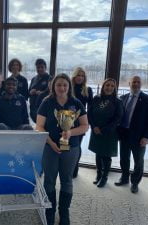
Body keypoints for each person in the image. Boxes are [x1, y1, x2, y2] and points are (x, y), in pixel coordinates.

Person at [36, 73, 88, 225]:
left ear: (69, 87)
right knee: (49, 180)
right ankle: (49, 211)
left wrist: (70, 132)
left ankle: (64, 212)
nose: (62, 88)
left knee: (67, 180)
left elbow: (85, 126)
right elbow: (39, 126)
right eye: (58, 85)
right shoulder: (46, 102)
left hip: (71, 148)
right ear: (53, 86)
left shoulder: (76, 103)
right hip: (49, 147)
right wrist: (50, 142)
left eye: (65, 85)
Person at [115, 76, 148, 193]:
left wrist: (147, 137)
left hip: (139, 137)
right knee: (124, 158)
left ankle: (135, 182)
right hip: (124, 134)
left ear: (141, 84)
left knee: (138, 161)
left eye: (138, 82)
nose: (136, 84)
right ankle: (124, 178)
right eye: (134, 82)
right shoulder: (122, 98)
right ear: (129, 83)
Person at [88, 78, 123, 188]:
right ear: (103, 86)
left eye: (112, 86)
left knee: (106, 156)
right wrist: (93, 127)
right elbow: (89, 114)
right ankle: (98, 175)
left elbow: (118, 118)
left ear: (115, 88)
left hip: (109, 133)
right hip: (95, 131)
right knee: (98, 154)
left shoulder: (118, 102)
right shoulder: (96, 98)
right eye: (107, 85)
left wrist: (103, 129)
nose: (109, 88)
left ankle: (104, 177)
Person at [71, 67, 93, 178]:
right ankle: (67, 167)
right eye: (78, 75)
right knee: (66, 144)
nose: (80, 77)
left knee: (76, 146)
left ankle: (75, 168)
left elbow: (91, 108)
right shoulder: (69, 88)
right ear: (74, 76)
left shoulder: (87, 90)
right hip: (67, 121)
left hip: (80, 123)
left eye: (82, 76)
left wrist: (87, 122)